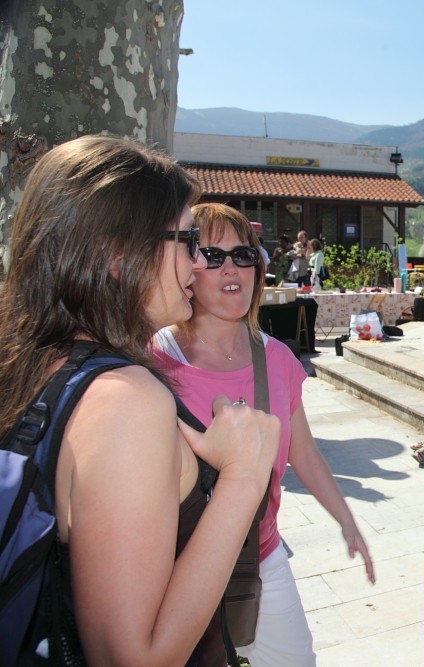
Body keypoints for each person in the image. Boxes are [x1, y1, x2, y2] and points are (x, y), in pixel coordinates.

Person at [0, 135, 279, 665]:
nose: (199, 263)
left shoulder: (30, 359)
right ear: (117, 253)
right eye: (187, 239)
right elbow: (134, 656)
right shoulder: (126, 401)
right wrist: (244, 478)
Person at [152, 203, 375, 667]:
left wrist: (346, 520)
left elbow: (305, 453)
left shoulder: (276, 359)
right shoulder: (153, 360)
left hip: (259, 559)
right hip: (170, 571)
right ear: (186, 265)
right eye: (212, 255)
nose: (231, 268)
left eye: (243, 255)